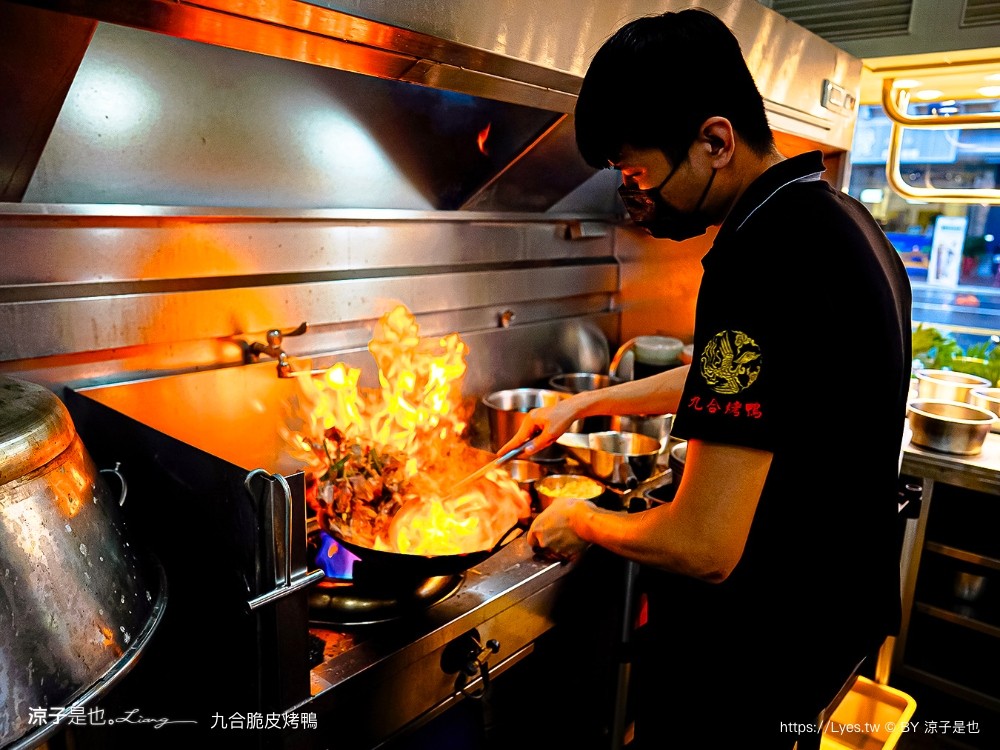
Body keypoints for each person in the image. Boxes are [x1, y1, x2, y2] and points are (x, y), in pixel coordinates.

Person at [499, 8, 912, 749]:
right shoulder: (841, 222)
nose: (637, 199)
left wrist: (581, 520)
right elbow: (738, 383)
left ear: (715, 141)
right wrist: (586, 404)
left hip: (761, 648)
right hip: (835, 614)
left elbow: (704, 546)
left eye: (638, 176)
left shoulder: (760, 260)